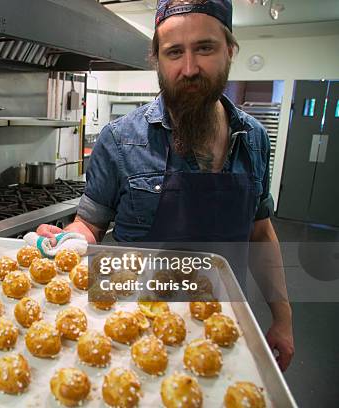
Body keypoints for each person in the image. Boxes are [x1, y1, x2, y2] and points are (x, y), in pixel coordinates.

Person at [37, 0, 294, 371]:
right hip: (132, 330)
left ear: (230, 51)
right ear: (157, 59)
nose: (189, 69)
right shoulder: (120, 139)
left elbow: (261, 232)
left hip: (223, 327)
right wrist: (67, 238)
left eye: (204, 48)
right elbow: (89, 225)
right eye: (174, 52)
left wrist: (283, 319)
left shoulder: (254, 138)